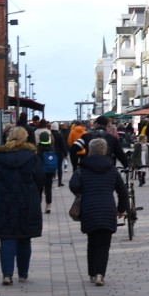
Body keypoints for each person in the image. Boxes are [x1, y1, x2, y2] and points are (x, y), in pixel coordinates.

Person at [0, 126, 44, 285]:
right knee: (24, 237)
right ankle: (23, 273)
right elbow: (40, 179)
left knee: (6, 237)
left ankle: (7, 274)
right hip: (27, 200)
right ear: (25, 138)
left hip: (4, 199)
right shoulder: (32, 157)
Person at [70, 137, 125, 286]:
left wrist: (82, 193)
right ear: (105, 151)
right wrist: (121, 209)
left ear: (90, 150)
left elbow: (73, 185)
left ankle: (92, 273)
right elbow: (122, 191)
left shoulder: (82, 169)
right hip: (107, 209)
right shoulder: (112, 169)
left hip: (89, 209)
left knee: (92, 241)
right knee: (104, 244)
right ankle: (100, 273)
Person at [34, 121, 58, 214]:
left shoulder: (38, 148)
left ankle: (38, 205)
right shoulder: (51, 148)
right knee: (48, 188)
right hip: (49, 171)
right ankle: (48, 206)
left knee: (39, 189)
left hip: (40, 171)